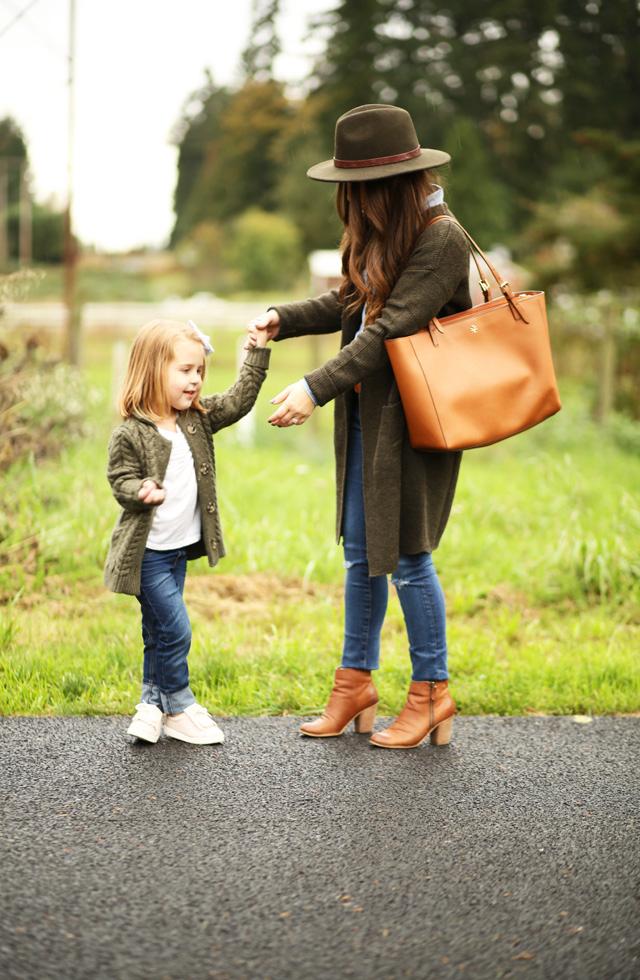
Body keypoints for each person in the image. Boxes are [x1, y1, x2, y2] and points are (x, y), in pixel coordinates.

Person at [245, 104, 472, 749]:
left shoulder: (441, 238)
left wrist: (314, 387)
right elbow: (351, 300)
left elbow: (388, 328)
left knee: (405, 555)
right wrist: (280, 318)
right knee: (359, 551)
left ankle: (432, 692)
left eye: (353, 188)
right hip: (367, 418)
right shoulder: (386, 234)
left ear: (384, 185)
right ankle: (355, 685)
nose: (346, 202)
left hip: (413, 421)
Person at [104, 318, 270, 745]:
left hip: (179, 551)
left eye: (199, 370)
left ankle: (150, 703)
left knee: (156, 631)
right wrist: (138, 490)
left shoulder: (195, 421)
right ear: (152, 371)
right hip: (148, 554)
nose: (195, 380)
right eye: (184, 370)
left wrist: (257, 354)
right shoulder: (133, 432)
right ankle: (179, 705)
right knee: (175, 629)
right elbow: (119, 477)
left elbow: (239, 400)